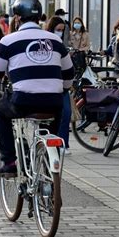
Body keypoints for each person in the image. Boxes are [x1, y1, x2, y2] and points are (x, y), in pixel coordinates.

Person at [0, 0, 74, 176]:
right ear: (39, 17)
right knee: (50, 128)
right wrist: (62, 88)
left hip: (23, 101)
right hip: (54, 102)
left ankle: (9, 161)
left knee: (1, 112)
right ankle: (49, 166)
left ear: (17, 18)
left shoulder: (8, 41)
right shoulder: (55, 41)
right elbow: (69, 74)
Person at [45, 16, 72, 155]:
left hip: (62, 84)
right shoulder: (48, 41)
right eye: (58, 29)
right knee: (56, 115)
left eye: (62, 30)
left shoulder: (61, 42)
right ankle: (53, 143)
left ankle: (63, 144)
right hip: (52, 83)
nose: (60, 32)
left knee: (66, 113)